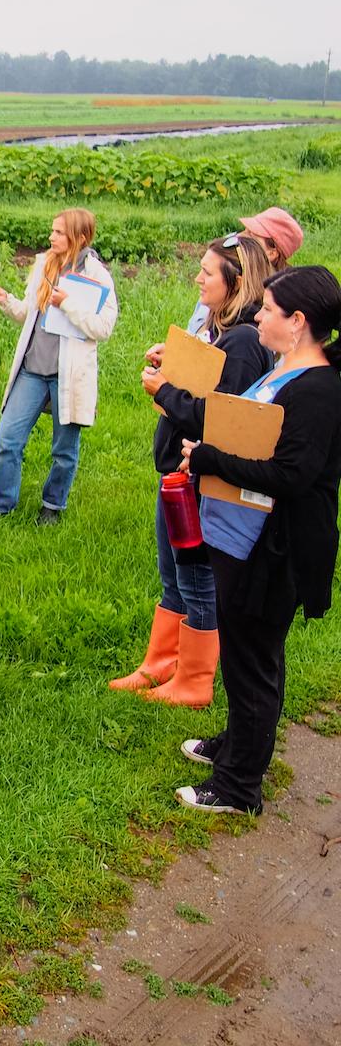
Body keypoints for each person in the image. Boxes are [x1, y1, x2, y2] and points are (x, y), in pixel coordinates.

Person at [177, 266, 341, 814]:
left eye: (269, 309)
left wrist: (209, 458)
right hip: (242, 537)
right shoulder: (285, 371)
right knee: (247, 652)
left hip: (275, 551)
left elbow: (291, 474)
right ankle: (238, 746)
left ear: (298, 322)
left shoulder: (317, 389)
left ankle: (238, 787)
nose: (260, 316)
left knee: (254, 661)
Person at [111, 235, 273, 706]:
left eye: (207, 271)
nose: (198, 278)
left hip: (201, 477)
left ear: (236, 281)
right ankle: (163, 662)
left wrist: (165, 392)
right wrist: (175, 367)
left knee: (196, 575)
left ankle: (195, 681)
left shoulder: (242, 341)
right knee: (174, 573)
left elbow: (221, 420)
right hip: (178, 472)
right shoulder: (222, 329)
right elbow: (208, 388)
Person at [0, 208, 118, 523]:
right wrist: (6, 300)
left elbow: (103, 329)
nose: (51, 237)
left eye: (58, 232)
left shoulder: (97, 276)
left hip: (67, 377)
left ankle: (52, 507)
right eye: (52, 231)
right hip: (32, 369)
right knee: (8, 440)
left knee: (64, 450)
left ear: (79, 237)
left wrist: (68, 304)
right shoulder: (44, 264)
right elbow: (29, 314)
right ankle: (2, 508)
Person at [187, 207, 302, 336]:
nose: (240, 236)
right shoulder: (218, 283)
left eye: (251, 236)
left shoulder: (272, 307)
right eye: (245, 230)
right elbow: (194, 333)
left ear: (272, 253)